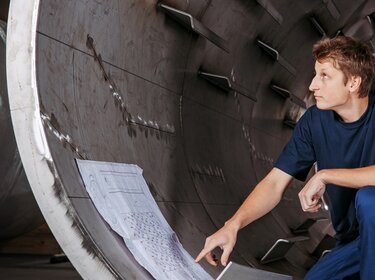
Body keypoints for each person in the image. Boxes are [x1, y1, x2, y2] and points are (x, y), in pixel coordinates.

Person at [195, 36, 375, 280]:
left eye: (324, 76)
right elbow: (274, 183)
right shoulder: (314, 122)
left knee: (369, 199)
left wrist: (325, 175)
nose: (312, 85)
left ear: (353, 82)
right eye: (315, 74)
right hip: (354, 243)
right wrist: (233, 225)